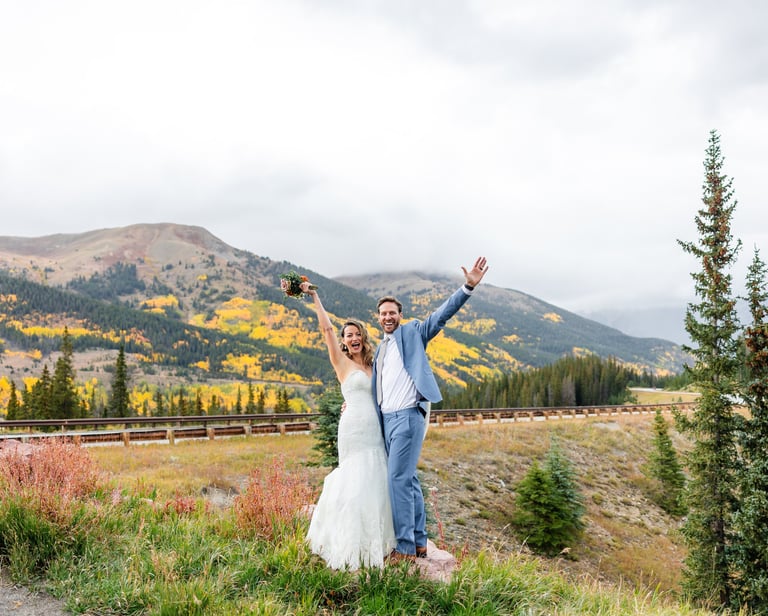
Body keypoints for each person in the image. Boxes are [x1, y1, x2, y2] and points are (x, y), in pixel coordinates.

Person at [373, 256, 489, 563]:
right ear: (378, 318)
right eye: (383, 313)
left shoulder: (413, 332)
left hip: (407, 417)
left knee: (397, 480)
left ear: (400, 315)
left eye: (392, 313)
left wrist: (467, 288)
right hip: (387, 420)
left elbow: (440, 316)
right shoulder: (380, 349)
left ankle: (405, 549)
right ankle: (420, 541)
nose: (388, 317)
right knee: (408, 479)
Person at [299, 282, 396, 570]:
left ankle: (375, 542)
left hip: (375, 429)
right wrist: (314, 296)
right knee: (355, 480)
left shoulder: (373, 365)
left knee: (376, 478)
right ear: (343, 341)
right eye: (348, 335)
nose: (353, 338)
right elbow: (326, 330)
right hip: (353, 430)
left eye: (357, 334)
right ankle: (349, 544)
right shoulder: (341, 363)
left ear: (363, 338)